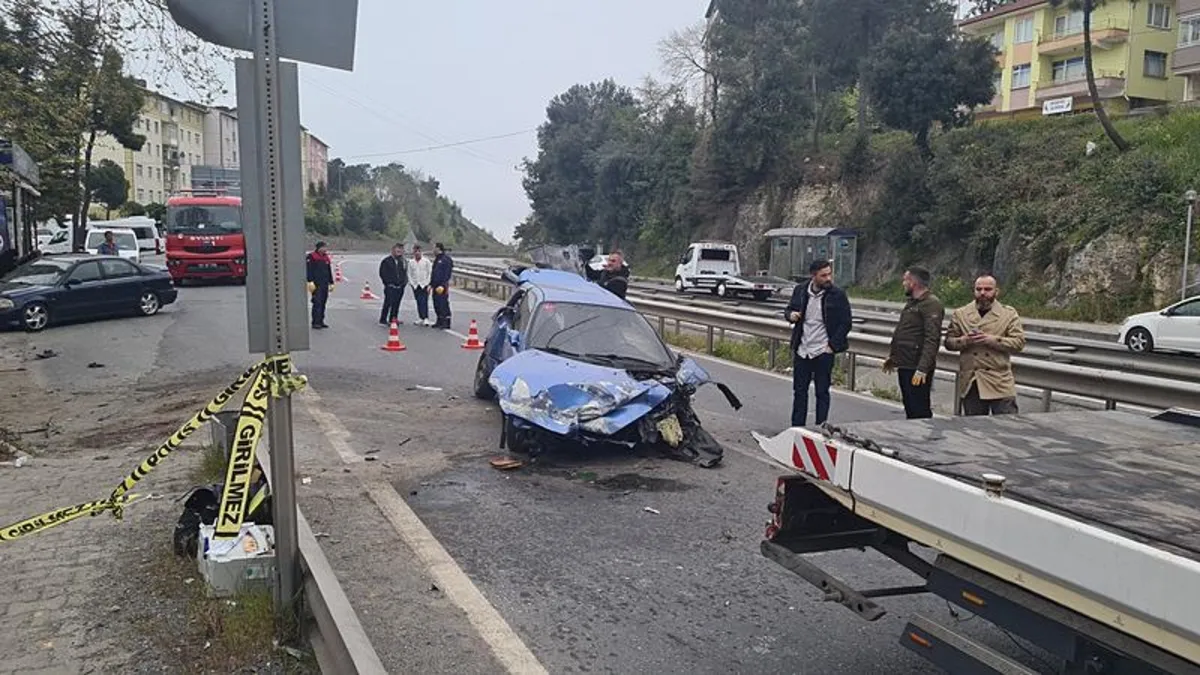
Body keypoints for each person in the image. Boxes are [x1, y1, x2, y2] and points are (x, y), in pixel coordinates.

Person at [943, 274, 1026, 416]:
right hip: (972, 381)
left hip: (999, 381)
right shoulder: (961, 314)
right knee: (974, 430)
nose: (982, 293)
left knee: (1007, 427)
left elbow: (1019, 343)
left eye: (987, 289)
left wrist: (992, 340)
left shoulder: (1008, 314)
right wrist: (964, 340)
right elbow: (949, 342)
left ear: (996, 291)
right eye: (978, 289)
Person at [785, 259, 853, 428]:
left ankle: (820, 427)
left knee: (822, 392)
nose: (828, 278)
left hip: (823, 351)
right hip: (802, 349)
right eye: (824, 275)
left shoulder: (837, 295)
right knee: (800, 392)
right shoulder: (800, 291)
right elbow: (788, 310)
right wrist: (790, 315)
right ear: (813, 276)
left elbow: (846, 323)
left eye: (830, 274)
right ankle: (797, 428)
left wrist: (831, 346)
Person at [883, 266, 944, 419]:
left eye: (905, 279)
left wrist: (923, 368)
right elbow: (907, 333)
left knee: (919, 409)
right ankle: (913, 438)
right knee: (910, 407)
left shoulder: (930, 304)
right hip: (905, 363)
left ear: (913, 282)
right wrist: (893, 357)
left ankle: (923, 440)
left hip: (916, 366)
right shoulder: (913, 303)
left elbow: (932, 339)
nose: (903, 283)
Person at [378, 243, 408, 326]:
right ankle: (383, 319)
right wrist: (387, 283)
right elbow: (382, 273)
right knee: (388, 303)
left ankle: (393, 318)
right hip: (390, 286)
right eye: (398, 250)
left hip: (400, 286)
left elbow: (404, 273)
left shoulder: (402, 261)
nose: (399, 252)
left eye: (401, 250)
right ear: (393, 250)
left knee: (397, 303)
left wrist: (403, 283)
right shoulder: (386, 261)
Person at [306, 241, 333, 330]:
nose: (325, 249)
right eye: (324, 247)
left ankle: (321, 321)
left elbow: (329, 271)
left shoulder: (326, 258)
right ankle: (315, 322)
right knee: (317, 302)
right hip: (316, 284)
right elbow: (309, 270)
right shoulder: (312, 256)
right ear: (319, 248)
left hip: (324, 283)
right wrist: (310, 281)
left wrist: (331, 282)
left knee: (323, 303)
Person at [430, 242, 454, 329]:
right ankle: (439, 320)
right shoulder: (437, 259)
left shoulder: (446, 259)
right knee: (436, 303)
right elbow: (434, 273)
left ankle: (446, 322)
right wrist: (431, 284)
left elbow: (447, 273)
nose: (432, 250)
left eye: (434, 248)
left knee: (443, 303)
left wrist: (443, 285)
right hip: (435, 285)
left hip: (442, 285)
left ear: (438, 248)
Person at [408, 245, 433, 326]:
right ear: (414, 252)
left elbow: (429, 273)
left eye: (419, 251)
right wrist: (411, 283)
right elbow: (409, 273)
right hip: (415, 285)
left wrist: (428, 283)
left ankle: (426, 317)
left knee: (424, 301)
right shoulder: (411, 262)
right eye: (416, 251)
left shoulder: (426, 261)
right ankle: (421, 317)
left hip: (424, 284)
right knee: (418, 301)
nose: (417, 253)